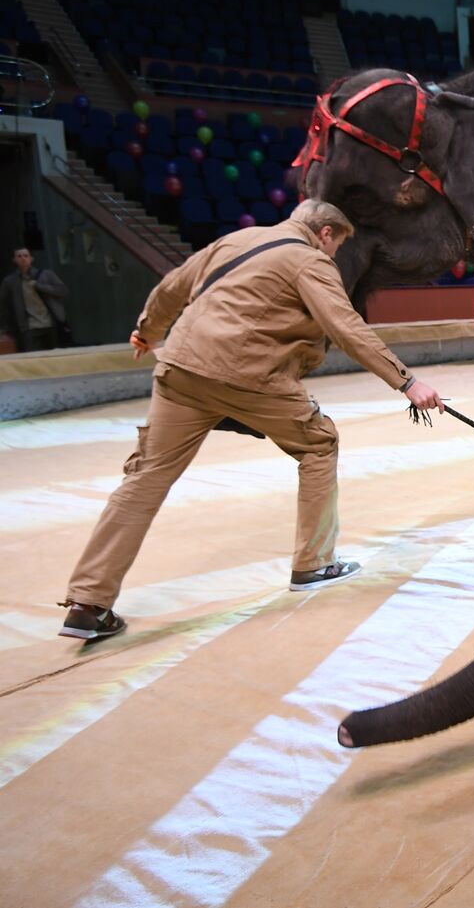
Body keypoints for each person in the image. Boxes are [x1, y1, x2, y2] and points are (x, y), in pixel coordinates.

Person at [58, 199, 445, 640]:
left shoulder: (234, 240)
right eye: (335, 246)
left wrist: (148, 331)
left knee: (144, 478)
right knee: (319, 443)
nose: (332, 256)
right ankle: (314, 564)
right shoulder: (309, 261)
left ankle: (88, 602)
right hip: (248, 374)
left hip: (181, 368)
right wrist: (406, 382)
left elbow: (172, 288)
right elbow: (346, 326)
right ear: (324, 234)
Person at [1, 247, 69, 351]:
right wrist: (6, 328)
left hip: (50, 323)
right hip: (28, 326)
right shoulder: (10, 281)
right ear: (14, 260)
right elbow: (4, 305)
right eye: (19, 256)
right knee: (32, 356)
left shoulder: (46, 274)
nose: (23, 258)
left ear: (31, 258)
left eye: (26, 256)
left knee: (54, 355)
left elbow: (62, 290)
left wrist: (41, 286)